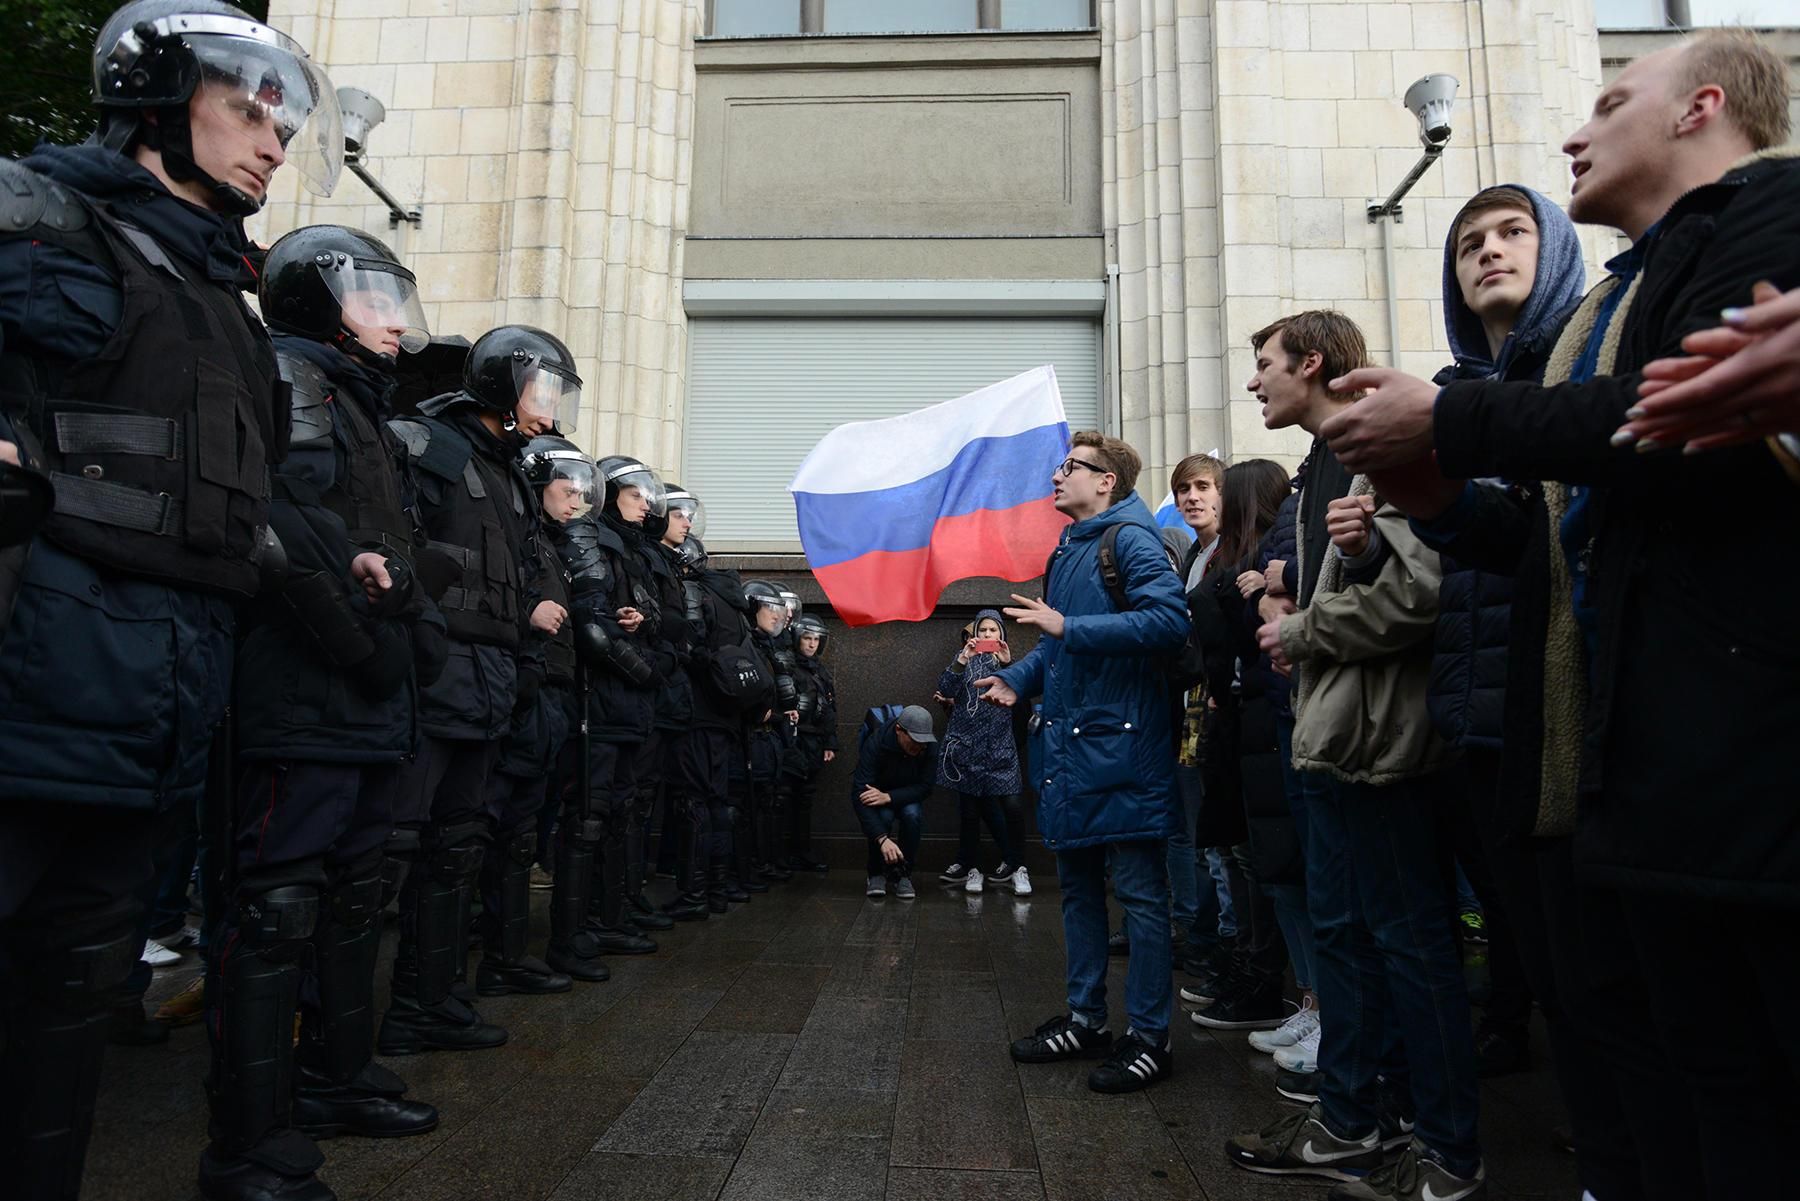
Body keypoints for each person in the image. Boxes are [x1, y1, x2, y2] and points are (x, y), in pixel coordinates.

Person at [1320, 30, 1798, 1197]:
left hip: (1731, 754)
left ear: (1700, 108)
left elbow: (1671, 425)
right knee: (1646, 1050)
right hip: (1607, 756)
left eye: (1610, 99)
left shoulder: (1772, 210)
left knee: (1742, 1093)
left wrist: (1452, 427)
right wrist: (1435, 496)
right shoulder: (1624, 294)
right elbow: (1548, 531)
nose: (1578, 132)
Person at [0, 3, 340, 1196]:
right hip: (32, 689)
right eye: (247, 103)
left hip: (157, 708)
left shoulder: (220, 300)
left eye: (284, 116)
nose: (273, 137)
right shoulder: (44, 225)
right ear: (154, 97)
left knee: (72, 998)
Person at [194, 225, 446, 1201]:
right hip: (305, 698)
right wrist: (365, 642)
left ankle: (335, 1078)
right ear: (315, 301)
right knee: (276, 908)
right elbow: (283, 533)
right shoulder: (295, 379)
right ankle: (248, 1139)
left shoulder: (362, 402)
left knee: (349, 897)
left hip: (366, 698)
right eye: (373, 300)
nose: (395, 324)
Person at [1224, 311, 1484, 1201]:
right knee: (1345, 939)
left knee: (1409, 944)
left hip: (1384, 745)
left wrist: (1298, 626)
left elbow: (1417, 590)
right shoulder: (1318, 464)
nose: (1255, 382)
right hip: (1333, 738)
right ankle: (1352, 1118)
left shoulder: (1379, 442)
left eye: (1265, 365)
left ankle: (1444, 1148)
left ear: (1313, 362)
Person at [979, 431, 1190, 1094]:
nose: (1057, 475)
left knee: (1140, 896)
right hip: (1074, 749)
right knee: (1076, 891)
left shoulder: (1129, 539)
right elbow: (1059, 645)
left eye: (1072, 467)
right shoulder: (1068, 548)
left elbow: (1167, 620)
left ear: (1108, 482)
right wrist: (1021, 674)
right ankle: (1085, 1018)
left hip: (1124, 747)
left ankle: (1150, 1036)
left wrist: (1069, 629)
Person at [379, 324, 567, 1054]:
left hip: (490, 680)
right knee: (397, 850)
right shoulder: (428, 446)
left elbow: (514, 578)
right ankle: (372, 1024)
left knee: (457, 847)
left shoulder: (509, 473)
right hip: (435, 674)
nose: (549, 410)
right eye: (539, 391)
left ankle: (434, 998)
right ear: (499, 385)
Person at [1185, 459, 1301, 1036]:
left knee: (1266, 860)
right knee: (1237, 852)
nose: (1203, 499)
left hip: (1260, 719)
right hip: (1235, 722)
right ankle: (1253, 971)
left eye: (1214, 489)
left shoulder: (1262, 563)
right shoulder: (1224, 558)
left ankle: (1272, 983)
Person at [475, 434, 591, 997]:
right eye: (567, 491)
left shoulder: (552, 547)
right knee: (505, 831)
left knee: (522, 832)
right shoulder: (525, 539)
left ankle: (507, 954)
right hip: (527, 691)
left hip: (553, 696)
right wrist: (528, 611)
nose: (575, 503)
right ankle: (497, 956)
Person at [543, 455, 665, 976]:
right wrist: (645, 670)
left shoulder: (635, 550)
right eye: (636, 495)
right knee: (588, 817)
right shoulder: (590, 537)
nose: (646, 505)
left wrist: (642, 626)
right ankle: (572, 935)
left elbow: (652, 614)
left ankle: (608, 919)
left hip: (629, 702)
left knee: (617, 814)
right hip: (602, 697)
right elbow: (590, 623)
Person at [934, 610, 1029, 896]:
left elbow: (1024, 702)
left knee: (1013, 807)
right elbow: (945, 687)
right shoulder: (964, 661)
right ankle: (971, 867)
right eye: (983, 631)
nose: (988, 636)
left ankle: (1017, 866)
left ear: (1002, 635)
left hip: (1001, 749)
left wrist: (1009, 665)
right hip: (968, 749)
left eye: (993, 631)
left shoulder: (1010, 664)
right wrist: (961, 660)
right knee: (970, 811)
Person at [852, 705, 940, 900]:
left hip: (908, 794)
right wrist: (882, 838)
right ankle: (876, 873)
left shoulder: (929, 744)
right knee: (883, 817)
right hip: (878, 792)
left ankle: (903, 874)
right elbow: (859, 793)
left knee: (912, 815)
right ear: (899, 730)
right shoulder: (876, 742)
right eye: (915, 740)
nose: (919, 747)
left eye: (923, 742)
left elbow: (926, 787)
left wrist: (889, 797)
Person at [785, 612, 838, 874]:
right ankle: (785, 854)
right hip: (793, 740)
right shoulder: (788, 667)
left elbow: (830, 708)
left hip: (815, 742)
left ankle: (801, 852)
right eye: (807, 638)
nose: (812, 644)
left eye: (816, 639)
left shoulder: (821, 671)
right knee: (786, 798)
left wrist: (830, 742)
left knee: (805, 800)